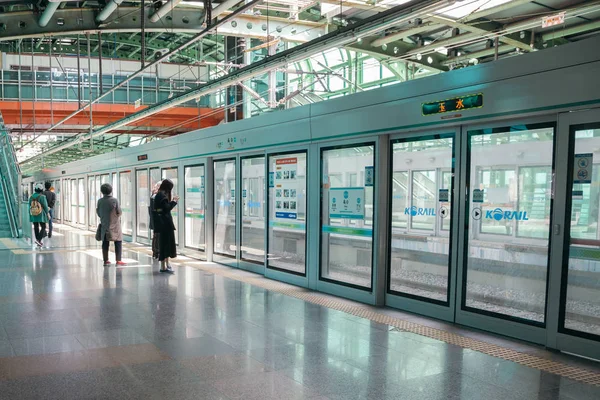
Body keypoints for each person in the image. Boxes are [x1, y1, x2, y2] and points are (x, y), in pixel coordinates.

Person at [153, 179, 179, 273]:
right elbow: (166, 208)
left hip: (163, 224)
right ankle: (163, 266)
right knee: (165, 244)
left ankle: (166, 265)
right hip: (165, 224)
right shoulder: (162, 195)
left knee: (165, 244)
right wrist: (174, 202)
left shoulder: (159, 195)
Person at [96, 183, 126, 266]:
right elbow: (119, 212)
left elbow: (98, 212)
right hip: (115, 225)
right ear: (111, 190)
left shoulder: (100, 201)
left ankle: (106, 260)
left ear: (102, 191)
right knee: (118, 241)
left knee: (105, 243)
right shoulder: (114, 200)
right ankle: (118, 260)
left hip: (104, 224)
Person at [149, 182, 161, 260]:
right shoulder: (156, 196)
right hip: (157, 220)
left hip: (154, 220)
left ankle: (155, 252)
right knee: (157, 236)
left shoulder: (153, 196)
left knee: (155, 236)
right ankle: (157, 252)